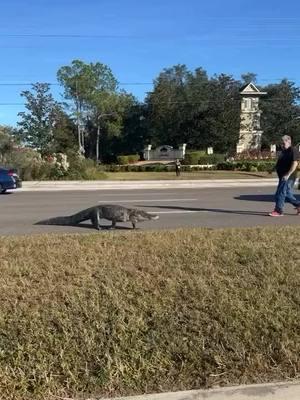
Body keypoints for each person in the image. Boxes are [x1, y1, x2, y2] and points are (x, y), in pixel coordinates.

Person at [269, 135, 300, 216]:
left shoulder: (293, 150)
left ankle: (278, 211)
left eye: (283, 143)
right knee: (286, 194)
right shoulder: (284, 151)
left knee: (280, 193)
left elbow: (295, 163)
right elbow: (280, 162)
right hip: (282, 176)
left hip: (289, 176)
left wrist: (288, 174)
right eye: (281, 143)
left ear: (288, 141)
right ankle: (298, 205)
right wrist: (273, 169)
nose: (281, 145)